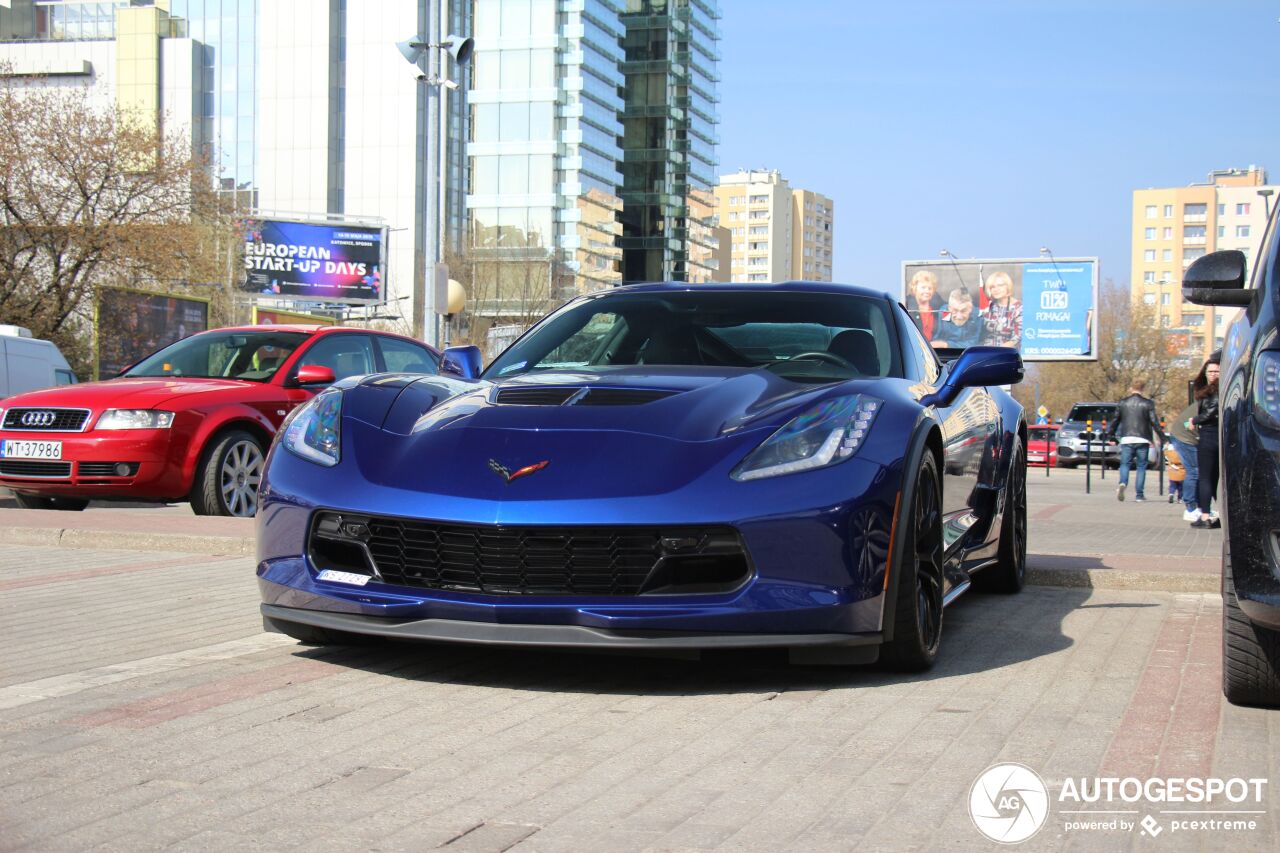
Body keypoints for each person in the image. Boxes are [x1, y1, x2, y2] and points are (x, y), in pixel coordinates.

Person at [1107, 378, 1161, 502]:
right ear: (1143, 389)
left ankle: (1123, 483)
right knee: (1141, 466)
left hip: (1127, 438)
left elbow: (1115, 420)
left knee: (1125, 464)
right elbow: (1154, 422)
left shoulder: (1123, 403)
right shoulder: (1148, 403)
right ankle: (1139, 495)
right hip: (1143, 439)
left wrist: (1111, 435)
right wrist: (1163, 438)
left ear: (1131, 388)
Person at [1190, 352, 1221, 529]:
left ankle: (1205, 515)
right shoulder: (1217, 389)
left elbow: (1211, 412)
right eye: (1210, 372)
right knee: (1214, 478)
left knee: (1205, 477)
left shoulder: (1215, 391)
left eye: (1216, 372)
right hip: (1218, 436)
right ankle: (1220, 515)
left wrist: (1194, 420)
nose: (1212, 375)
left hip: (1209, 435)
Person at [1168, 394, 1201, 522]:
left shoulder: (1211, 398)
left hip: (1183, 435)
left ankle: (1198, 507)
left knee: (1196, 471)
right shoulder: (1214, 401)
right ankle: (1190, 509)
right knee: (1194, 470)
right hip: (1184, 438)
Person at [979, 270, 1022, 348]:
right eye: (993, 287)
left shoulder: (1019, 308)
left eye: (1000, 285)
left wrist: (998, 351)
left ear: (1008, 286)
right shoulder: (989, 306)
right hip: (985, 351)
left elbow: (1018, 338)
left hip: (1007, 353)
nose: (996, 289)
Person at [905, 269, 944, 341]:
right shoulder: (906, 306)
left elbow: (946, 329)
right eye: (923, 287)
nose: (927, 291)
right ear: (915, 288)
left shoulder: (939, 308)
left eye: (930, 288)